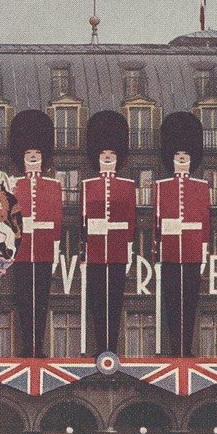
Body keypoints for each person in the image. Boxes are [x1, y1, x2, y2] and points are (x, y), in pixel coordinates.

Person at [7, 110, 62, 357]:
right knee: (22, 302)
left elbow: (56, 220)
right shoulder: (13, 184)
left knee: (41, 303)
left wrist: (55, 250)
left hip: (42, 250)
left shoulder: (52, 186)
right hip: (20, 252)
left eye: (37, 154)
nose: (33, 158)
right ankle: (25, 347)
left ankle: (37, 347)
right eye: (29, 154)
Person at [81, 110, 136, 354]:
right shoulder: (88, 185)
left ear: (117, 157)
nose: (107, 158)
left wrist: (128, 248)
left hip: (116, 252)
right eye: (103, 154)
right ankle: (99, 346)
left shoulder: (127, 186)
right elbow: (85, 222)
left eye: (111, 154)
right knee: (96, 302)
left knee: (114, 302)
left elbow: (130, 221)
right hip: (94, 253)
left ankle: (110, 347)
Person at [156, 111, 210, 357]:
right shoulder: (162, 187)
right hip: (169, 254)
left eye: (185, 155)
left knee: (190, 303)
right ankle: (174, 347)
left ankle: (185, 348)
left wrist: (204, 253)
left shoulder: (200, 188)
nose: (181, 159)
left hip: (191, 252)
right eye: (177, 155)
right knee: (171, 303)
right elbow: (158, 225)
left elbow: (205, 223)